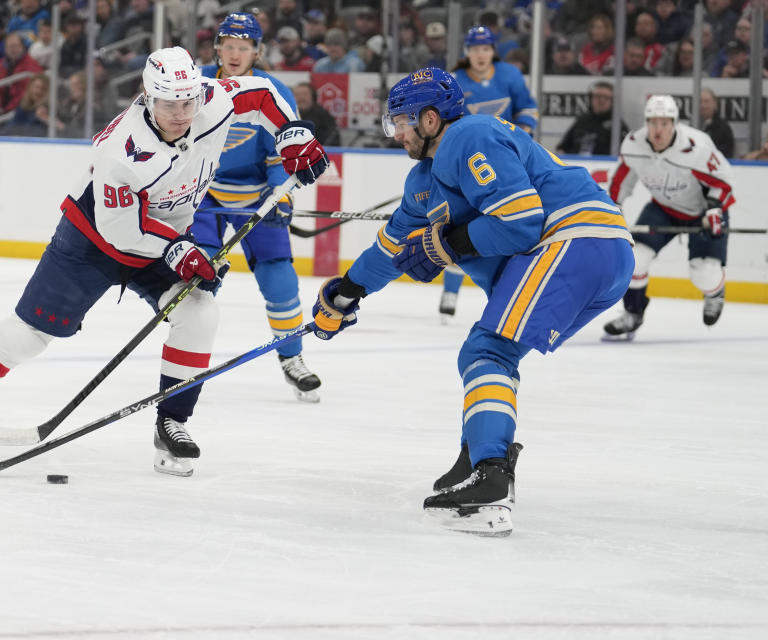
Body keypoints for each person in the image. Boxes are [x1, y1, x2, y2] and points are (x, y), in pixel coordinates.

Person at [0, 46, 328, 479]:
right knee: (30, 334)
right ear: (148, 97)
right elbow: (121, 229)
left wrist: (291, 131)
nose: (182, 113)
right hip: (92, 240)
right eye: (170, 104)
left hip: (162, 237)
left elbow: (260, 93)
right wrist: (178, 249)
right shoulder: (121, 150)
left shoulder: (210, 99)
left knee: (200, 312)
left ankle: (172, 423)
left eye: (188, 102)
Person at [309, 67, 634, 536]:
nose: (396, 133)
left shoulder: (470, 134)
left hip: (575, 240)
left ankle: (492, 475)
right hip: (596, 253)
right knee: (489, 353)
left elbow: (520, 220)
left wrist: (447, 243)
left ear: (430, 119)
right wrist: (346, 293)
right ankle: (480, 456)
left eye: (401, 121)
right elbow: (393, 249)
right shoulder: (424, 180)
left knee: (487, 351)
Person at [192, 13, 323, 402]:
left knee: (280, 278)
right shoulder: (196, 84)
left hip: (256, 195)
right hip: (204, 195)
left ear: (257, 51)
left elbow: (282, 152)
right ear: (217, 48)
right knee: (198, 279)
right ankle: (186, 362)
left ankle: (292, 358)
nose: (234, 54)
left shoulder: (273, 89)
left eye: (243, 47)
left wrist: (279, 194)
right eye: (228, 46)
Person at [604, 95, 733, 337]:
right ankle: (633, 312)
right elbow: (621, 181)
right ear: (646, 123)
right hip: (663, 207)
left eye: (664, 123)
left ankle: (714, 292)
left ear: (674, 123)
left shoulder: (697, 146)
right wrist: (613, 207)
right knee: (634, 260)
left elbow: (724, 181)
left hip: (702, 209)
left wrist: (715, 208)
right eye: (653, 123)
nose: (658, 130)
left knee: (703, 273)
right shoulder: (634, 144)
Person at [442, 25, 539, 320]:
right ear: (467, 52)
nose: (481, 55)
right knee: (461, 223)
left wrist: (523, 132)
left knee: (504, 222)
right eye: (475, 49)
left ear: (493, 51)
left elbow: (528, 107)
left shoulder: (509, 74)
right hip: (470, 162)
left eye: (485, 49)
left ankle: (505, 294)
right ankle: (450, 290)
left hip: (506, 159)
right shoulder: (456, 82)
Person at [556, 81, 628, 156]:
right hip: (575, 164)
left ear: (612, 102)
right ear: (591, 98)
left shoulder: (617, 125)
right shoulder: (582, 120)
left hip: (603, 165)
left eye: (606, 98)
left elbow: (623, 154)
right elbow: (562, 147)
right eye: (598, 96)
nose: (601, 100)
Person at [293, 81, 340, 146]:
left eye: (305, 94)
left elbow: (332, 140)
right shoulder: (288, 115)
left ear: (313, 96)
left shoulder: (323, 116)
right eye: (297, 95)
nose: (301, 98)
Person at [699, 87, 734, 158]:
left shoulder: (723, 127)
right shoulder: (693, 125)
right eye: (700, 101)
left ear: (714, 103)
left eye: (706, 101)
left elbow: (727, 152)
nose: (703, 105)